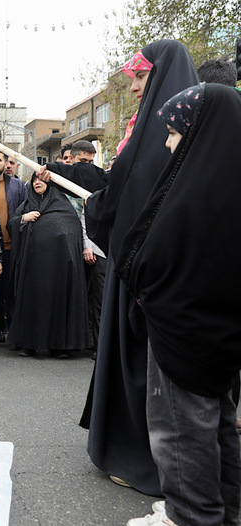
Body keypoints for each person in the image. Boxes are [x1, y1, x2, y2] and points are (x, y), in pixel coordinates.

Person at [38, 39, 198, 495]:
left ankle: (153, 460)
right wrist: (100, 198)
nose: (134, 88)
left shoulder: (170, 130)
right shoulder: (148, 127)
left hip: (150, 271)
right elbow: (123, 189)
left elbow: (143, 199)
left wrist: (104, 207)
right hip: (137, 264)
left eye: (141, 78)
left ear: (162, 77)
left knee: (149, 364)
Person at [120, 83, 241, 526]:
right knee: (218, 426)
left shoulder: (200, 193)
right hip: (215, 338)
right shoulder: (223, 181)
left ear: (198, 132)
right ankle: (220, 512)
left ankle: (192, 515)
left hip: (184, 336)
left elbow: (168, 254)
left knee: (181, 430)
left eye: (175, 132)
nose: (170, 143)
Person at [6, 174, 89, 358]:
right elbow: (10, 224)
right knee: (31, 303)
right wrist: (23, 219)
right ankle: (29, 344)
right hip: (32, 268)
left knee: (59, 304)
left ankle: (61, 347)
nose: (37, 182)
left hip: (59, 270)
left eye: (41, 180)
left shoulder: (63, 208)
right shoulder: (27, 206)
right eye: (34, 180)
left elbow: (71, 232)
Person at [0, 147, 27, 348]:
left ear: (6, 163)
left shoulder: (18, 187)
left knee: (12, 292)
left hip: (13, 247)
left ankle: (13, 332)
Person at [68, 141, 106, 358]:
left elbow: (90, 215)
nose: (87, 167)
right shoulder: (58, 181)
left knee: (98, 299)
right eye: (83, 162)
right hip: (71, 248)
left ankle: (97, 344)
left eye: (91, 162)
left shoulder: (97, 182)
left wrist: (89, 245)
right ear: (71, 159)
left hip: (94, 251)